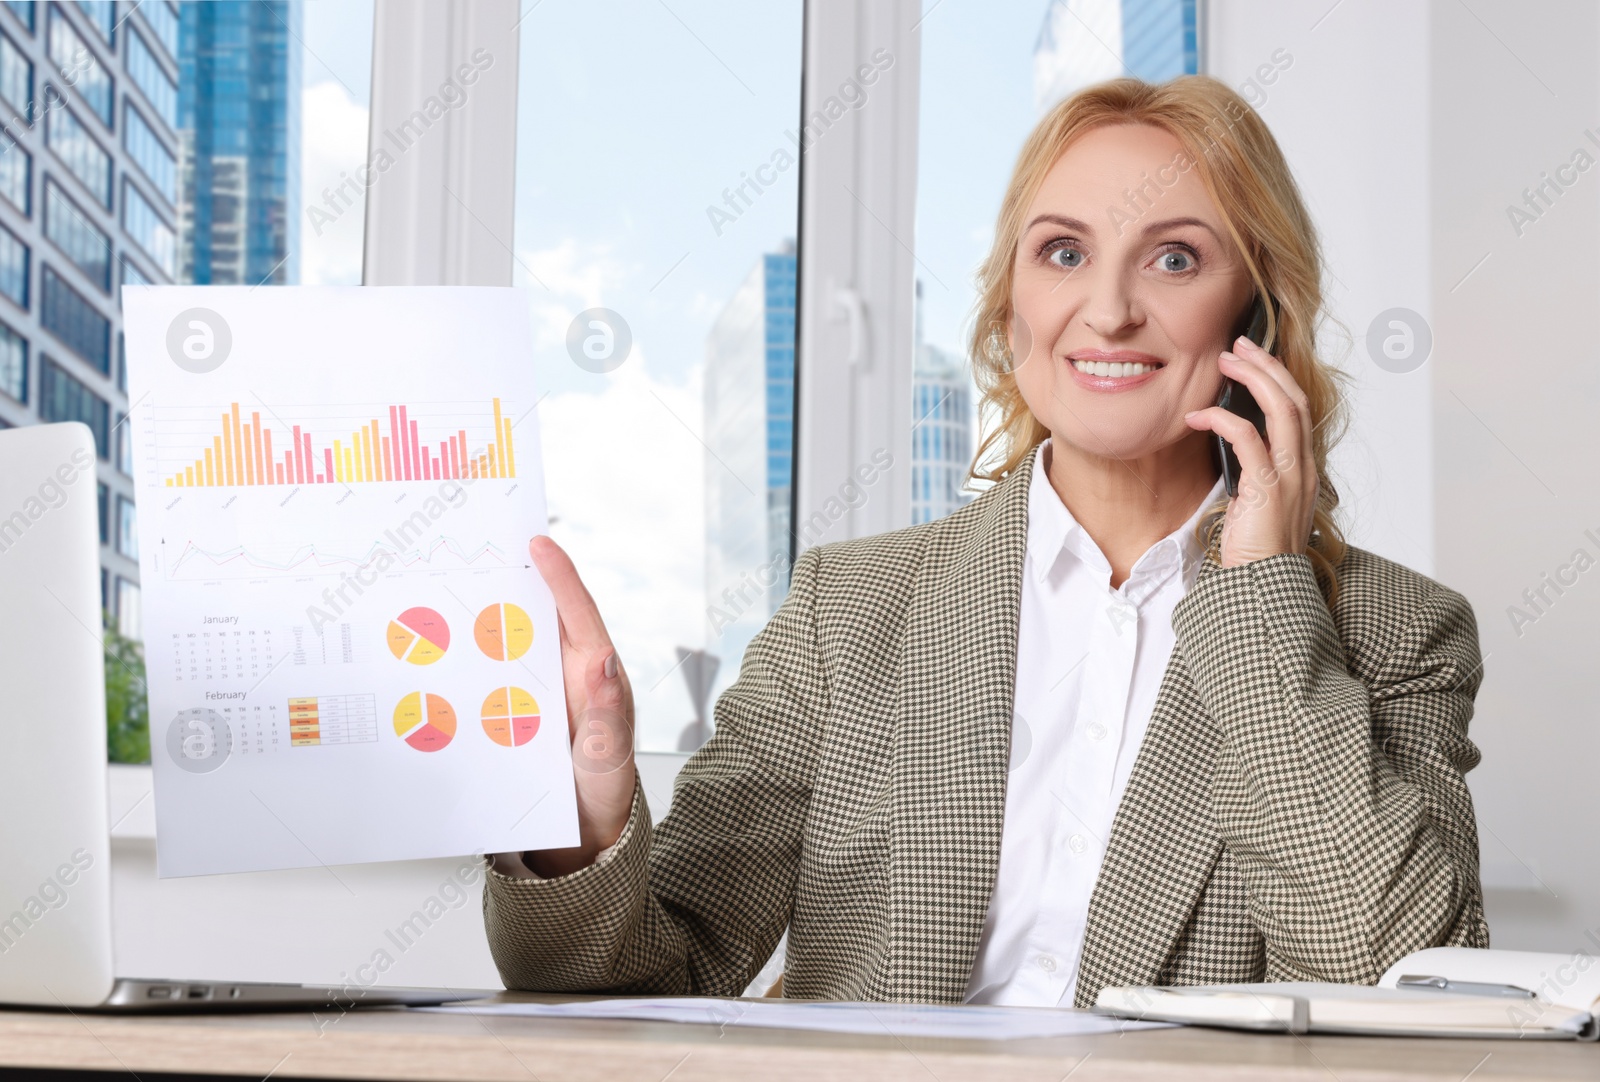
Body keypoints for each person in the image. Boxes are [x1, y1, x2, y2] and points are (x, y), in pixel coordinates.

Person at [481, 75, 1488, 1009]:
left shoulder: (1397, 629)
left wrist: (1264, 598)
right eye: (1063, 252)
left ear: (1256, 316)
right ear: (1013, 311)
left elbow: (1390, 989)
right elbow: (645, 980)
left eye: (1174, 259)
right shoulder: (850, 607)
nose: (1107, 309)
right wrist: (584, 824)